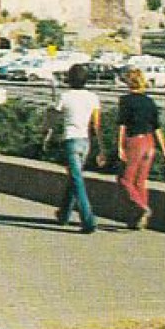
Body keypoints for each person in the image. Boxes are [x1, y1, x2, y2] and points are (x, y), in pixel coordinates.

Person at [44, 63, 106, 234]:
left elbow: (53, 117)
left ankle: (88, 220)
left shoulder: (65, 96)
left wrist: (47, 133)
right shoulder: (93, 97)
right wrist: (101, 149)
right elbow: (96, 125)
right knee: (75, 177)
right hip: (85, 142)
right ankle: (63, 214)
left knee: (77, 179)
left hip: (70, 140)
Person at [116, 68, 165, 229]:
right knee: (140, 182)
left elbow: (122, 125)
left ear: (129, 82)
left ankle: (142, 207)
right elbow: (157, 128)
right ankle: (138, 220)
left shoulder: (125, 100)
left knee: (125, 180)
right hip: (149, 143)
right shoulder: (150, 102)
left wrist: (120, 146)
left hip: (135, 142)